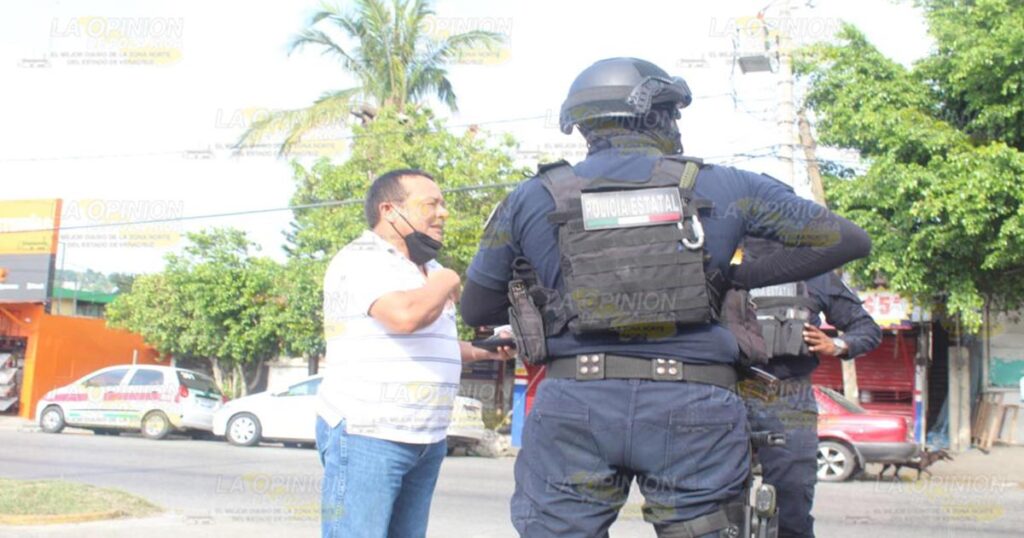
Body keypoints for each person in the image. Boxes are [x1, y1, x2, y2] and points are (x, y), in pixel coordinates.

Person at [460, 57, 872, 538]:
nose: (676, 126)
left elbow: (477, 310)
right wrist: (734, 275)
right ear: (654, 116)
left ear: (585, 126)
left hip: (575, 404)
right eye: (672, 114)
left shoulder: (531, 197)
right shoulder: (725, 184)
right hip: (695, 405)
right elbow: (846, 240)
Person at [315, 169, 512, 538]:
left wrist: (483, 352)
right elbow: (405, 317)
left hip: (427, 440)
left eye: (443, 204)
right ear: (390, 210)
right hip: (368, 436)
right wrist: (447, 281)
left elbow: (426, 343)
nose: (443, 213)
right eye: (431, 204)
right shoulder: (361, 259)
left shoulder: (428, 268)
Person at [739, 238, 882, 538]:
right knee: (719, 509)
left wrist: (839, 345)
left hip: (788, 395)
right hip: (729, 392)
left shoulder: (813, 272)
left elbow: (866, 328)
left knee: (791, 508)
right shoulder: (724, 265)